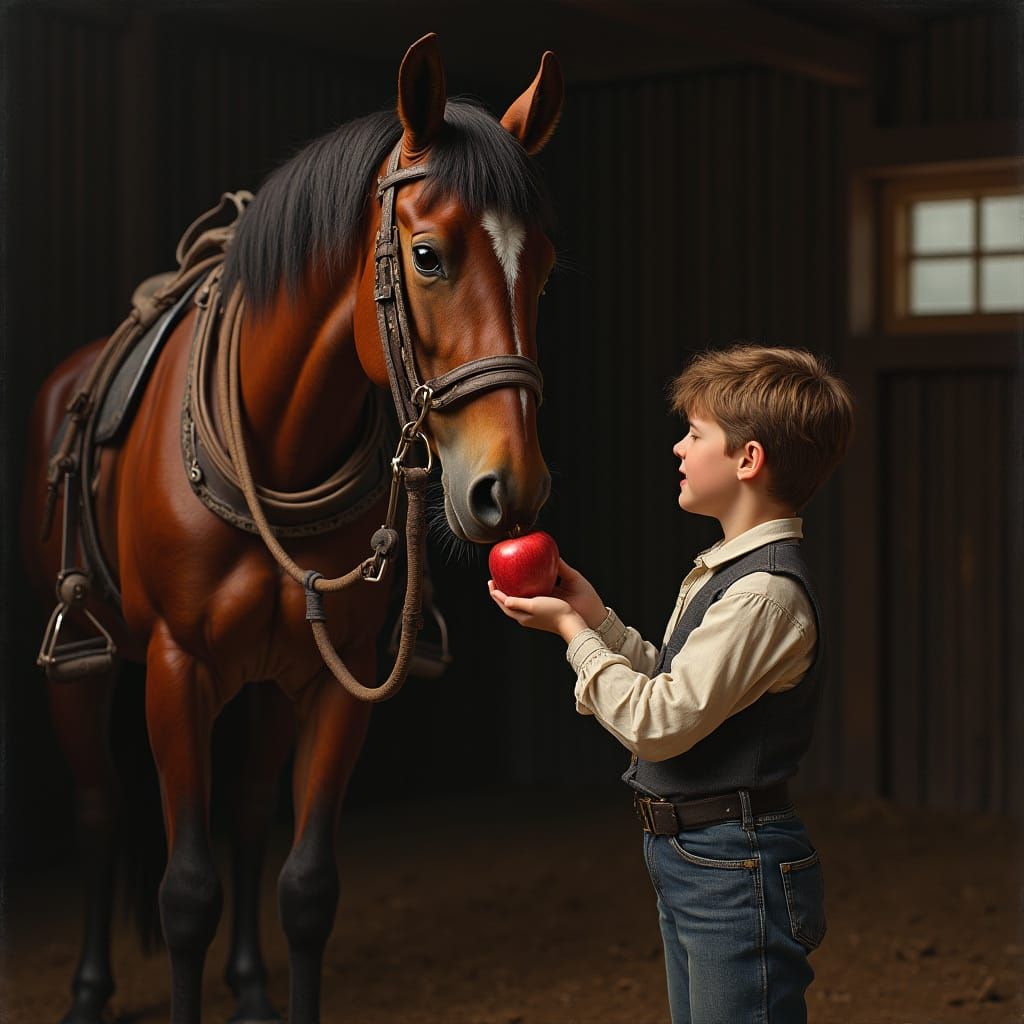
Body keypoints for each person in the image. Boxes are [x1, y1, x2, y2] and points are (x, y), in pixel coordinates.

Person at [489, 343, 855, 1024]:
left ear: (748, 461)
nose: (679, 449)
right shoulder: (728, 572)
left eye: (695, 433)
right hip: (697, 856)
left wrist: (573, 635)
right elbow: (673, 684)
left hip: (733, 862)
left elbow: (657, 725)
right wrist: (595, 616)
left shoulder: (763, 594)